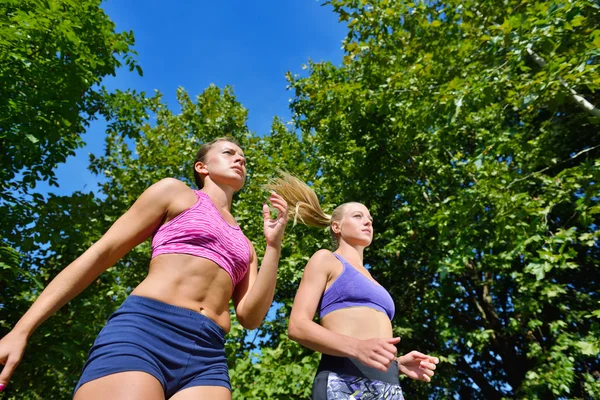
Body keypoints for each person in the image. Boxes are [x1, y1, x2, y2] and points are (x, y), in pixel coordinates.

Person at [0, 137, 289, 400]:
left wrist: (273, 247)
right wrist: (22, 330)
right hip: (146, 331)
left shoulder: (246, 245)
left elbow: (250, 317)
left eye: (243, 158)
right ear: (201, 167)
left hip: (208, 354)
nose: (240, 159)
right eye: (229, 153)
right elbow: (102, 253)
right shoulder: (176, 193)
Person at [267, 172, 439, 400]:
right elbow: (298, 326)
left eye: (370, 218)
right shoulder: (326, 259)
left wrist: (397, 365)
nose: (368, 221)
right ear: (337, 227)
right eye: (358, 216)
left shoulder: (374, 281)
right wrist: (357, 347)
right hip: (343, 381)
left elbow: (370, 345)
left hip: (389, 385)